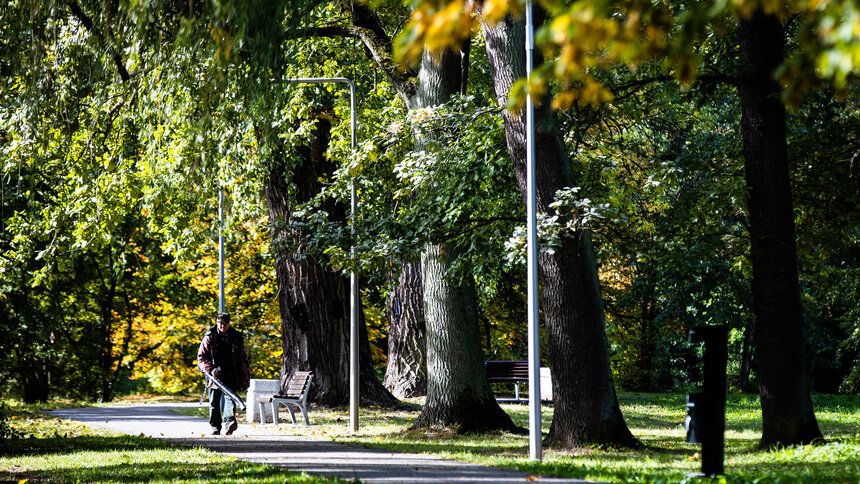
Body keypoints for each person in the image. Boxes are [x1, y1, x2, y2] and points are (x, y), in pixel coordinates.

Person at [197, 313, 251, 435]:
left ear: (229, 324)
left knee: (230, 399)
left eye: (225, 324)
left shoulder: (236, 336)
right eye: (220, 324)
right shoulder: (210, 336)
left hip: (231, 372)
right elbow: (201, 358)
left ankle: (229, 422)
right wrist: (211, 370)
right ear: (217, 323)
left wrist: (244, 374)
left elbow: (243, 357)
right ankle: (215, 426)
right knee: (214, 402)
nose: (222, 326)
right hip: (215, 375)